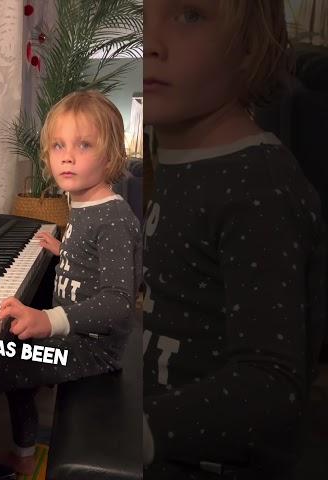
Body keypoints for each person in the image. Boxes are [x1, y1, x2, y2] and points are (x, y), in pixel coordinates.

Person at [142, 1, 325, 478]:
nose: (148, 41)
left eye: (189, 15)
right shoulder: (185, 159)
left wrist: (134, 431)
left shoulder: (259, 187)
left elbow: (272, 385)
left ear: (250, 46)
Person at [0, 90, 142, 475]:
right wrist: (62, 247)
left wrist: (48, 320)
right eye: (58, 145)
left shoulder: (114, 219)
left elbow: (119, 302)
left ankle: (16, 458)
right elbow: (90, 255)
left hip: (93, 350)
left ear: (111, 154)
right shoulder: (84, 202)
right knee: (2, 349)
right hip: (75, 337)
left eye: (84, 145)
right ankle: (23, 451)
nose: (67, 155)